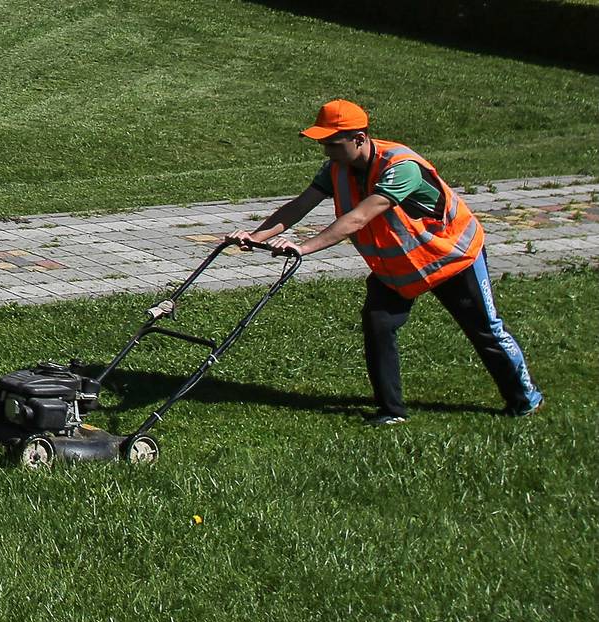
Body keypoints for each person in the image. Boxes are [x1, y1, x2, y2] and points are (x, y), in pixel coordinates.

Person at [226, 99, 543, 424]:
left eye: (333, 144)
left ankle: (525, 400)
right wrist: (255, 237)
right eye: (323, 144)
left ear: (360, 138)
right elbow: (299, 206)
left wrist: (302, 249)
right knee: (379, 324)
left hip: (453, 258)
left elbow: (358, 218)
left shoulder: (401, 166)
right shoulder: (336, 169)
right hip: (400, 268)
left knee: (485, 331)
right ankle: (391, 412)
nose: (326, 152)